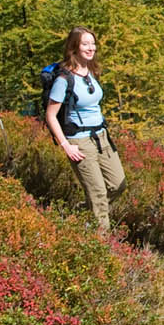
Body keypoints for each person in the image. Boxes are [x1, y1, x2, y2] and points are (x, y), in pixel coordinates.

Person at [45, 26, 125, 230]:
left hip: (101, 137)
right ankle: (103, 247)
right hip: (79, 141)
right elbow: (51, 115)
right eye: (85, 44)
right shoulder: (64, 79)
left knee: (118, 184)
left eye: (93, 43)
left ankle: (83, 212)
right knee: (98, 193)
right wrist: (66, 145)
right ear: (74, 47)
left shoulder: (92, 71)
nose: (91, 48)